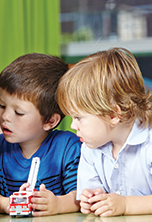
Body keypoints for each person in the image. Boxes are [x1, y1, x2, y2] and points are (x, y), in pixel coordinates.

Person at [56, 47, 152, 217]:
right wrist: (90, 201)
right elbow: (89, 194)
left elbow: (122, 205)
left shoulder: (148, 142)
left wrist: (126, 205)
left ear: (112, 115)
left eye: (78, 117)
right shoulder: (90, 147)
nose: (73, 126)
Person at [0, 53, 82, 216]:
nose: (5, 116)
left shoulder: (68, 148)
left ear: (50, 121)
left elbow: (80, 196)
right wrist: (8, 203)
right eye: (2, 105)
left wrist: (57, 204)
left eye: (18, 112)